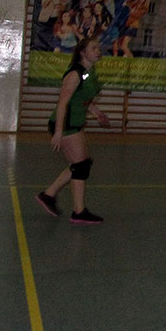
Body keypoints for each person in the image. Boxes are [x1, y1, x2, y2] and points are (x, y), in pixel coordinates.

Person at [35, 33, 111, 224]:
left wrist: (96, 113)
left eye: (99, 48)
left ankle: (49, 195)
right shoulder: (75, 74)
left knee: (82, 163)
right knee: (81, 165)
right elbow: (62, 103)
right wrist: (58, 132)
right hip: (66, 123)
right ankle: (78, 211)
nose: (98, 51)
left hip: (75, 122)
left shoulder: (88, 73)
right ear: (83, 52)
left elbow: (83, 98)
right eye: (94, 48)